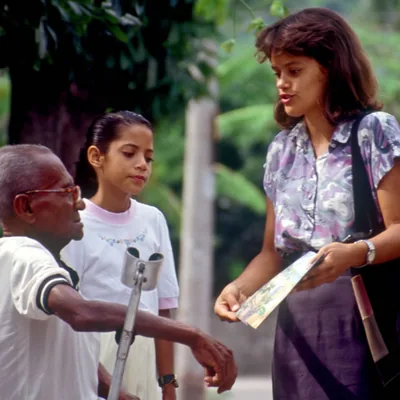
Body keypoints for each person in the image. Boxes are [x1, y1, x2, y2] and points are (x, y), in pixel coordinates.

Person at [214, 7, 400, 400]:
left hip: (363, 315)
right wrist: (238, 288)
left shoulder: (373, 132)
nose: (283, 83)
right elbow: (271, 253)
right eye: (278, 73)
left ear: (330, 68)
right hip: (297, 324)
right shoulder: (282, 149)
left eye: (294, 71)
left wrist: (353, 253)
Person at [0, 144, 237, 400]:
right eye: (66, 192)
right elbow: (82, 313)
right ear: (27, 207)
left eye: (76, 191)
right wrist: (192, 336)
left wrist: (117, 392)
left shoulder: (45, 266)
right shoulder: (22, 254)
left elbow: (69, 347)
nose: (78, 203)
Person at [61, 111, 179, 399]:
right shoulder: (74, 223)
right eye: (129, 153)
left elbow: (163, 307)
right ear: (96, 156)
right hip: (90, 360)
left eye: (148, 158)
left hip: (144, 358)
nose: (142, 165)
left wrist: (167, 382)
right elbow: (66, 314)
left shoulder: (153, 220)